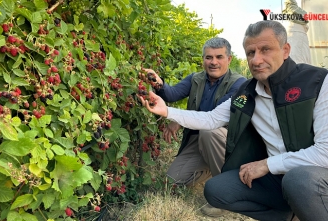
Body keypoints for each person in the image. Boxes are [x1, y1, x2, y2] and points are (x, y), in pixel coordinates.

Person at [139, 20, 328, 221]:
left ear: (285, 50)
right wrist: (166, 110)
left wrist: (266, 165)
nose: (256, 60)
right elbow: (211, 119)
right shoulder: (245, 93)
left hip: (315, 176)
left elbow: (325, 153)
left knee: (298, 180)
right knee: (216, 189)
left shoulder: (317, 82)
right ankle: (287, 214)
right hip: (276, 177)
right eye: (250, 53)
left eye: (266, 50)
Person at [140, 37, 246, 217]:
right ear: (203, 59)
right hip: (198, 139)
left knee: (209, 133)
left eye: (219, 57)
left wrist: (177, 119)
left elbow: (214, 118)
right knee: (171, 181)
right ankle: (211, 169)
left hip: (224, 141)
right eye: (208, 57)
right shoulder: (196, 79)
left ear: (229, 59)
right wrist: (159, 83)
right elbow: (172, 94)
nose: (213, 62)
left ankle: (227, 195)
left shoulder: (238, 84)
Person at [282, 0, 311, 64]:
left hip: (295, 35)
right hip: (295, 35)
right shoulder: (292, 13)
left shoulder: (291, 13)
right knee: (297, 58)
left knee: (296, 58)